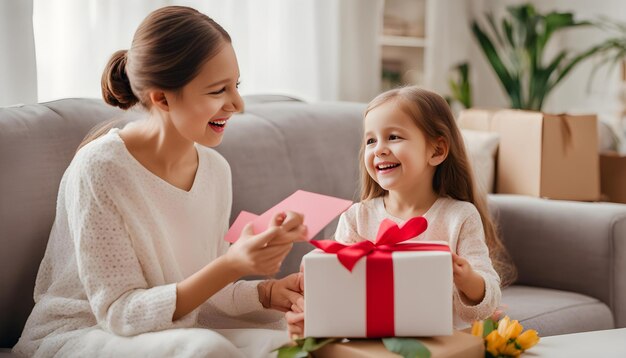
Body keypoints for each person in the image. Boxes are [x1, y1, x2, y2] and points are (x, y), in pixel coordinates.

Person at [14, 6, 307, 358]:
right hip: (85, 332)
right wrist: (232, 264)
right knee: (205, 349)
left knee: (285, 344)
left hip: (169, 328)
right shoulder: (101, 169)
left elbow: (199, 290)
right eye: (218, 91)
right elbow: (120, 313)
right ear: (162, 97)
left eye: (236, 86)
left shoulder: (215, 170)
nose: (238, 104)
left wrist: (266, 293)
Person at [286, 86, 516, 336]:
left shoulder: (460, 216)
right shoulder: (357, 218)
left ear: (437, 150)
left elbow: (484, 303)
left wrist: (467, 278)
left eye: (393, 137)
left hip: (437, 342)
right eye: (371, 140)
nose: (379, 149)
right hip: (368, 338)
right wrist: (311, 299)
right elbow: (338, 287)